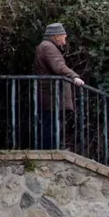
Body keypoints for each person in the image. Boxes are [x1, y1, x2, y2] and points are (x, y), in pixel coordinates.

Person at [33, 22, 85, 150]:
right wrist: (74, 76)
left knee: (50, 124)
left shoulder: (45, 46)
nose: (65, 40)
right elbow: (59, 67)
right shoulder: (48, 47)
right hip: (51, 95)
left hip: (50, 94)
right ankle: (50, 151)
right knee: (50, 126)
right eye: (64, 37)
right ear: (56, 36)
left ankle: (50, 149)